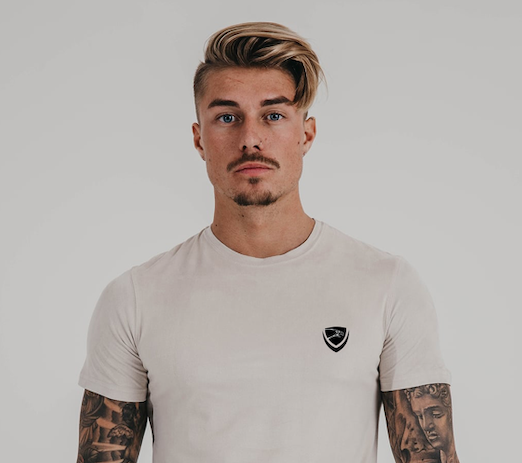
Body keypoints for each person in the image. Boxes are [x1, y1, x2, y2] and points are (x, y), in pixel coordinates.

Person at [77, 22, 460, 463]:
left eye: (273, 115)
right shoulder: (135, 297)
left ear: (306, 134)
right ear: (199, 139)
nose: (250, 139)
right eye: (227, 117)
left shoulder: (388, 284)